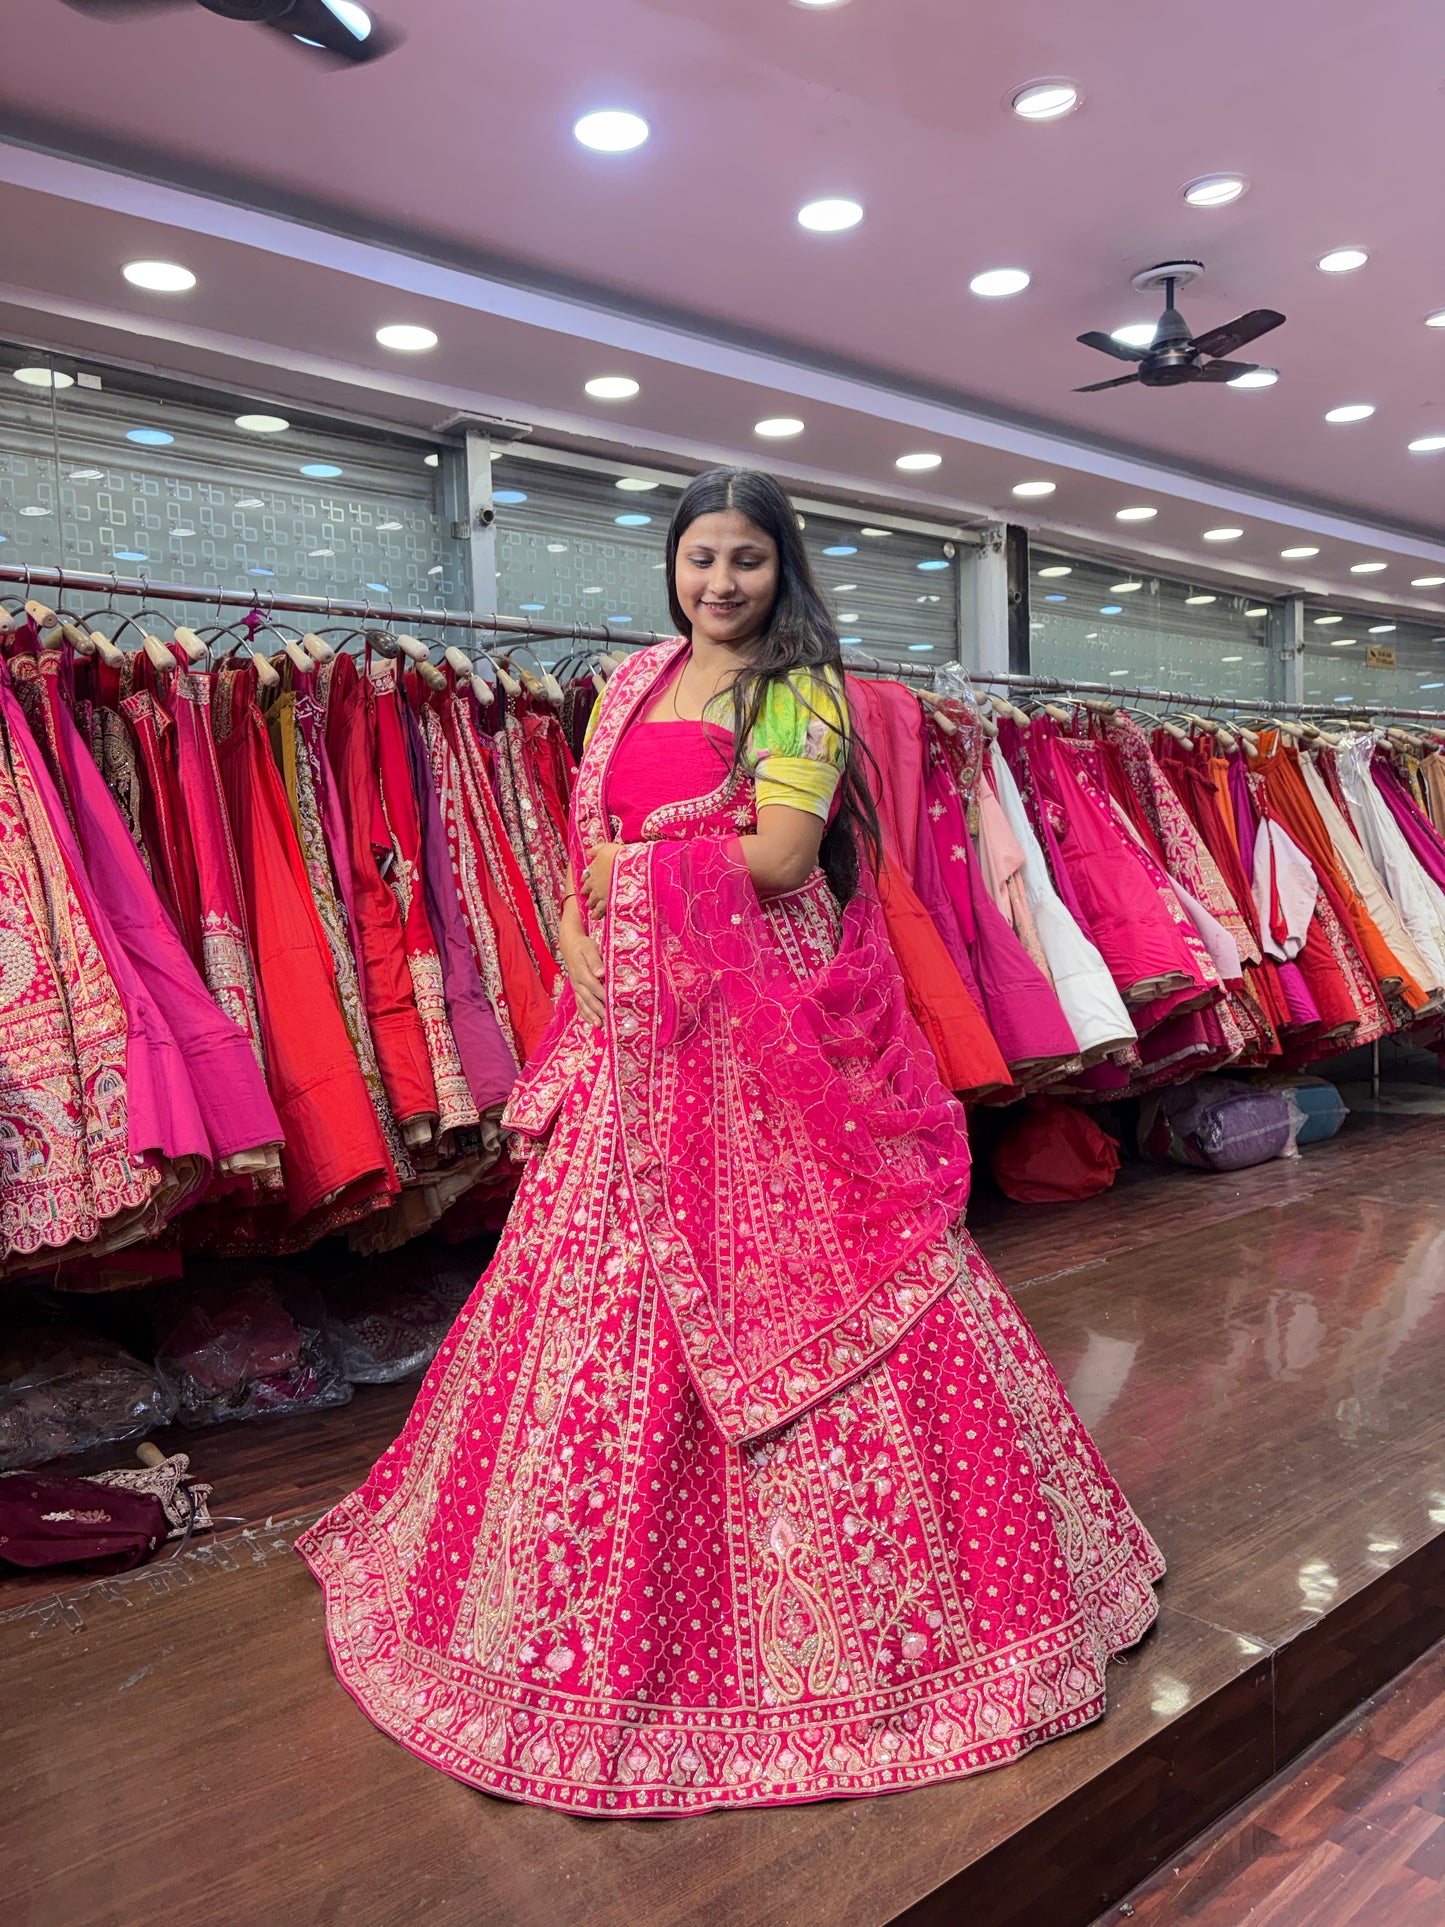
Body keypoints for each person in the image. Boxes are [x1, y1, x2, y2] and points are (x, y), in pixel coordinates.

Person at [299, 467, 1163, 1814]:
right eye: (700, 558)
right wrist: (586, 940)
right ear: (671, 566)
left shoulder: (801, 689)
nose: (720, 585)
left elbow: (775, 857)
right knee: (589, 1287)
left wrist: (623, 880)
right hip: (638, 1025)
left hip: (761, 1025)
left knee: (819, 1272)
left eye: (746, 561)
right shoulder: (632, 679)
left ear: (782, 569)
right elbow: (584, 839)